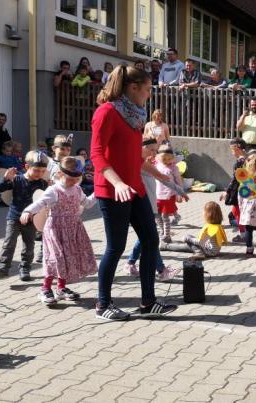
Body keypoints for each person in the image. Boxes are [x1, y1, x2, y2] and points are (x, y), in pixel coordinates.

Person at [91, 64, 177, 321]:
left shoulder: (136, 116)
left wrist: (163, 177)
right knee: (115, 248)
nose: (150, 95)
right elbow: (96, 154)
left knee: (151, 241)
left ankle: (148, 302)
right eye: (148, 89)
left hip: (135, 188)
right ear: (133, 87)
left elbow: (132, 156)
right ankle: (103, 304)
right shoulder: (106, 113)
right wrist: (117, 183)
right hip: (112, 190)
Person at [19, 157, 95, 305]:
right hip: (56, 229)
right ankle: (45, 289)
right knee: (55, 258)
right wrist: (27, 211)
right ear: (60, 174)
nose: (74, 181)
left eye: (77, 178)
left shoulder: (77, 189)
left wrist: (98, 192)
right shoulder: (54, 190)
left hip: (73, 229)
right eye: (70, 178)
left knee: (67, 258)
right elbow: (40, 203)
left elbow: (88, 203)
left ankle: (61, 288)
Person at [127, 134, 179, 280]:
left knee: (145, 238)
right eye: (151, 149)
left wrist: (180, 191)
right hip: (143, 205)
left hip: (150, 204)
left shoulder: (146, 162)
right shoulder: (137, 162)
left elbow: (164, 178)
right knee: (151, 238)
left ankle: (130, 263)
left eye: (155, 150)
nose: (154, 153)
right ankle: (161, 270)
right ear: (141, 147)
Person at [0, 152, 49, 280]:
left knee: (29, 245)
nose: (39, 173)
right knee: (9, 242)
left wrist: (51, 187)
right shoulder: (16, 179)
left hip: (31, 219)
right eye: (36, 170)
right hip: (14, 217)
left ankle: (25, 268)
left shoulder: (43, 183)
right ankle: (3, 267)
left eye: (42, 171)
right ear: (27, 167)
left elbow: (47, 201)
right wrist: (6, 178)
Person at [162, 201, 227, 260]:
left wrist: (189, 239)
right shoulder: (217, 226)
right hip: (213, 250)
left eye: (204, 211)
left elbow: (200, 242)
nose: (203, 213)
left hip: (209, 251)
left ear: (208, 215)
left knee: (188, 245)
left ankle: (165, 246)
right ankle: (167, 245)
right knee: (189, 237)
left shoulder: (210, 228)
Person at [154, 146, 186, 243]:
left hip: (168, 195)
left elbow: (179, 181)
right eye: (164, 159)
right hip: (157, 195)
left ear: (172, 158)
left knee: (165, 216)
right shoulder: (157, 165)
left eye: (169, 159)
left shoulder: (174, 168)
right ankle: (162, 230)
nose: (167, 161)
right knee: (157, 216)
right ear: (159, 157)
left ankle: (167, 236)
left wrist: (179, 193)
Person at [221, 138, 247, 242]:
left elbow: (235, 179)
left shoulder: (239, 162)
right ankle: (243, 232)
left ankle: (243, 235)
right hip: (246, 190)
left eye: (232, 149)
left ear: (237, 148)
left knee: (237, 213)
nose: (232, 152)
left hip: (239, 191)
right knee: (236, 212)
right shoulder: (248, 158)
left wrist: (227, 191)